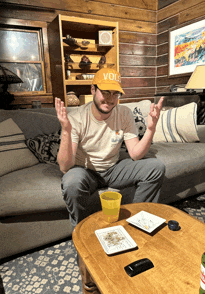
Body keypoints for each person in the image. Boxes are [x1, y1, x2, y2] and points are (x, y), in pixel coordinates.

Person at [55, 68, 165, 228]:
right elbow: (65, 166)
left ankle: (138, 222)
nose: (110, 99)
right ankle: (83, 231)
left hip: (113, 169)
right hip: (86, 172)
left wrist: (151, 129)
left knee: (156, 167)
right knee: (71, 182)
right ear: (93, 90)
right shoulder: (77, 117)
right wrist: (66, 130)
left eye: (115, 93)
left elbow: (135, 154)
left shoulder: (124, 113)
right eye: (105, 92)